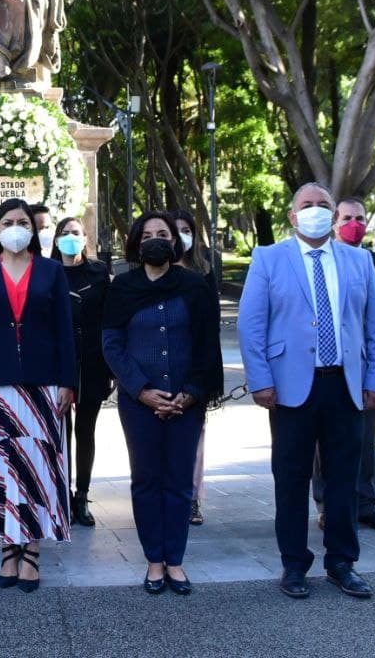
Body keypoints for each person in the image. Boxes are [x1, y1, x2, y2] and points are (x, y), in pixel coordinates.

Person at [237, 182, 375, 600]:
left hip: (345, 385)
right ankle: (294, 564)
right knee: (290, 479)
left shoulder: (359, 261)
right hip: (290, 389)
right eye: (307, 204)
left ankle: (342, 563)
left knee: (344, 478)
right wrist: (261, 379)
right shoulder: (269, 258)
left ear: (334, 214)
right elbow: (251, 324)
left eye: (323, 204)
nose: (315, 210)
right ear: (292, 215)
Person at [102, 212, 223, 594]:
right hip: (139, 402)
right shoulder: (123, 287)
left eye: (164, 234)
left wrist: (190, 392)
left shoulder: (195, 286)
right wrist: (141, 390)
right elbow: (112, 344)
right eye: (148, 234)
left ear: (176, 242)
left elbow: (207, 345)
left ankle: (176, 561)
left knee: (179, 482)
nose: (156, 240)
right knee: (146, 480)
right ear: (136, 243)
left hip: (187, 401)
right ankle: (154, 560)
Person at [0, 198, 75, 593]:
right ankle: (8, 547)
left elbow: (64, 330)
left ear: (33, 229)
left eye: (22, 222)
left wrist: (68, 381)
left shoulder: (51, 271)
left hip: (42, 385)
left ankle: (32, 550)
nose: (15, 228)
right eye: (7, 222)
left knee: (35, 467)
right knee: (2, 465)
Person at [313, 199, 375, 533]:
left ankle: (366, 503)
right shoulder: (321, 261)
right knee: (324, 443)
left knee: (365, 439)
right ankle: (327, 505)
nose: (353, 224)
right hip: (329, 367)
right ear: (334, 222)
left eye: (359, 218)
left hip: (368, 368)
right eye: (346, 218)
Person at [50, 215, 113, 527]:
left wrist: (111, 366)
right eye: (65, 232)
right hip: (57, 362)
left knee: (86, 430)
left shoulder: (99, 272)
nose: (70, 237)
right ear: (56, 239)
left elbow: (109, 318)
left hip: (92, 361)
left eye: (76, 232)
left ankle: (82, 495)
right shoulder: (48, 272)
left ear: (86, 238)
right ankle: (61, 492)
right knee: (60, 432)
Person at [172, 209, 216, 527]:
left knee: (194, 438)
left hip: (194, 368)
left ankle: (191, 497)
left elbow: (211, 328)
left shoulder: (204, 275)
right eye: (175, 230)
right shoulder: (150, 273)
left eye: (186, 230)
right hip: (159, 368)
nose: (180, 236)